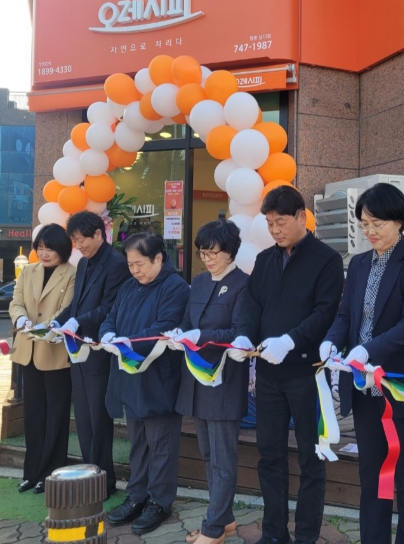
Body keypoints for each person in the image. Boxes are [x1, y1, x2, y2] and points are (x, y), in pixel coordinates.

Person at [321, 183, 404, 544]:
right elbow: (346, 315)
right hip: (364, 389)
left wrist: (368, 350)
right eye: (364, 224)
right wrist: (332, 340)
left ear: (399, 221)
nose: (370, 231)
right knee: (372, 476)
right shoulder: (358, 264)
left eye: (377, 223)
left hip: (402, 385)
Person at [233, 186, 344, 544]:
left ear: (301, 217)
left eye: (281, 222)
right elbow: (251, 304)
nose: (275, 230)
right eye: (269, 224)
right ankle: (273, 533)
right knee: (269, 455)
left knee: (311, 458)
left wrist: (291, 340)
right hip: (268, 373)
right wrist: (244, 336)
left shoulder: (326, 259)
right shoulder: (266, 259)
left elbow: (325, 312)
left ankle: (306, 535)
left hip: (307, 372)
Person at [100, 233, 190, 535]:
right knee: (138, 442)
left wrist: (126, 342)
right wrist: (108, 334)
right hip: (129, 376)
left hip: (159, 378)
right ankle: (137, 495)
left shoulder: (175, 287)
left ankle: (160, 502)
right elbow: (111, 316)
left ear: (158, 258)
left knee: (161, 444)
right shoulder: (129, 286)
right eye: (130, 264)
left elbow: (162, 328)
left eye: (139, 264)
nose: (135, 270)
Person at [167, 220, 249, 544]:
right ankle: (224, 519)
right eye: (203, 253)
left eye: (214, 253)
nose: (208, 259)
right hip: (196, 379)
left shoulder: (244, 284)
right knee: (207, 454)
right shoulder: (199, 282)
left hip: (224, 381)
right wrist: (180, 333)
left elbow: (238, 332)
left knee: (223, 459)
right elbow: (187, 320)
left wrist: (200, 335)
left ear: (230, 251)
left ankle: (213, 529)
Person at [52, 211, 130, 496]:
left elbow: (110, 308)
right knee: (84, 420)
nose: (78, 245)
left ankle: (104, 482)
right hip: (78, 351)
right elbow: (77, 304)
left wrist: (78, 322)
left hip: (99, 352)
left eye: (81, 239)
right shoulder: (84, 262)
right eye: (74, 240)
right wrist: (58, 321)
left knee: (99, 421)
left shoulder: (117, 263)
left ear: (98, 234)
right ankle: (89, 477)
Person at [9, 224, 75, 494]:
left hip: (54, 352)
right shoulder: (28, 271)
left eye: (50, 249)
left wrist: (42, 328)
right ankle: (31, 473)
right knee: (33, 415)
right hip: (28, 352)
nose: (44, 253)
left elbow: (67, 309)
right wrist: (21, 319)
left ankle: (51, 474)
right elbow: (16, 302)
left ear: (63, 249)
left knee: (56, 415)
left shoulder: (72, 273)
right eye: (41, 248)